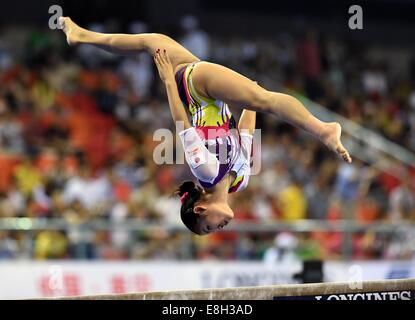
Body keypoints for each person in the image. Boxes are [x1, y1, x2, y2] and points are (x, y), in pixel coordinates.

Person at [58, 17, 352, 235]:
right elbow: (246, 132)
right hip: (205, 91)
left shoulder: (206, 172)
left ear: (201, 209)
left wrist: (166, 82)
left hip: (197, 88)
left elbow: (182, 124)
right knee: (151, 41)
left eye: (208, 227)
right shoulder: (241, 180)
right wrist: (251, 99)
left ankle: (323, 130)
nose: (218, 228)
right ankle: (81, 35)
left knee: (267, 100)